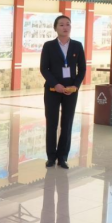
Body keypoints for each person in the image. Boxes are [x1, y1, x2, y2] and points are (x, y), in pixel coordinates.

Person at [40, 15, 86, 169]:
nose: (65, 27)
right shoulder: (49, 46)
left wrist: (76, 86)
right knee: (51, 123)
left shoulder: (77, 46)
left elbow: (82, 69)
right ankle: (51, 157)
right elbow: (44, 68)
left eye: (68, 24)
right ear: (55, 28)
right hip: (52, 90)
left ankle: (63, 157)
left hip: (71, 91)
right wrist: (55, 84)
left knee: (67, 123)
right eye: (61, 25)